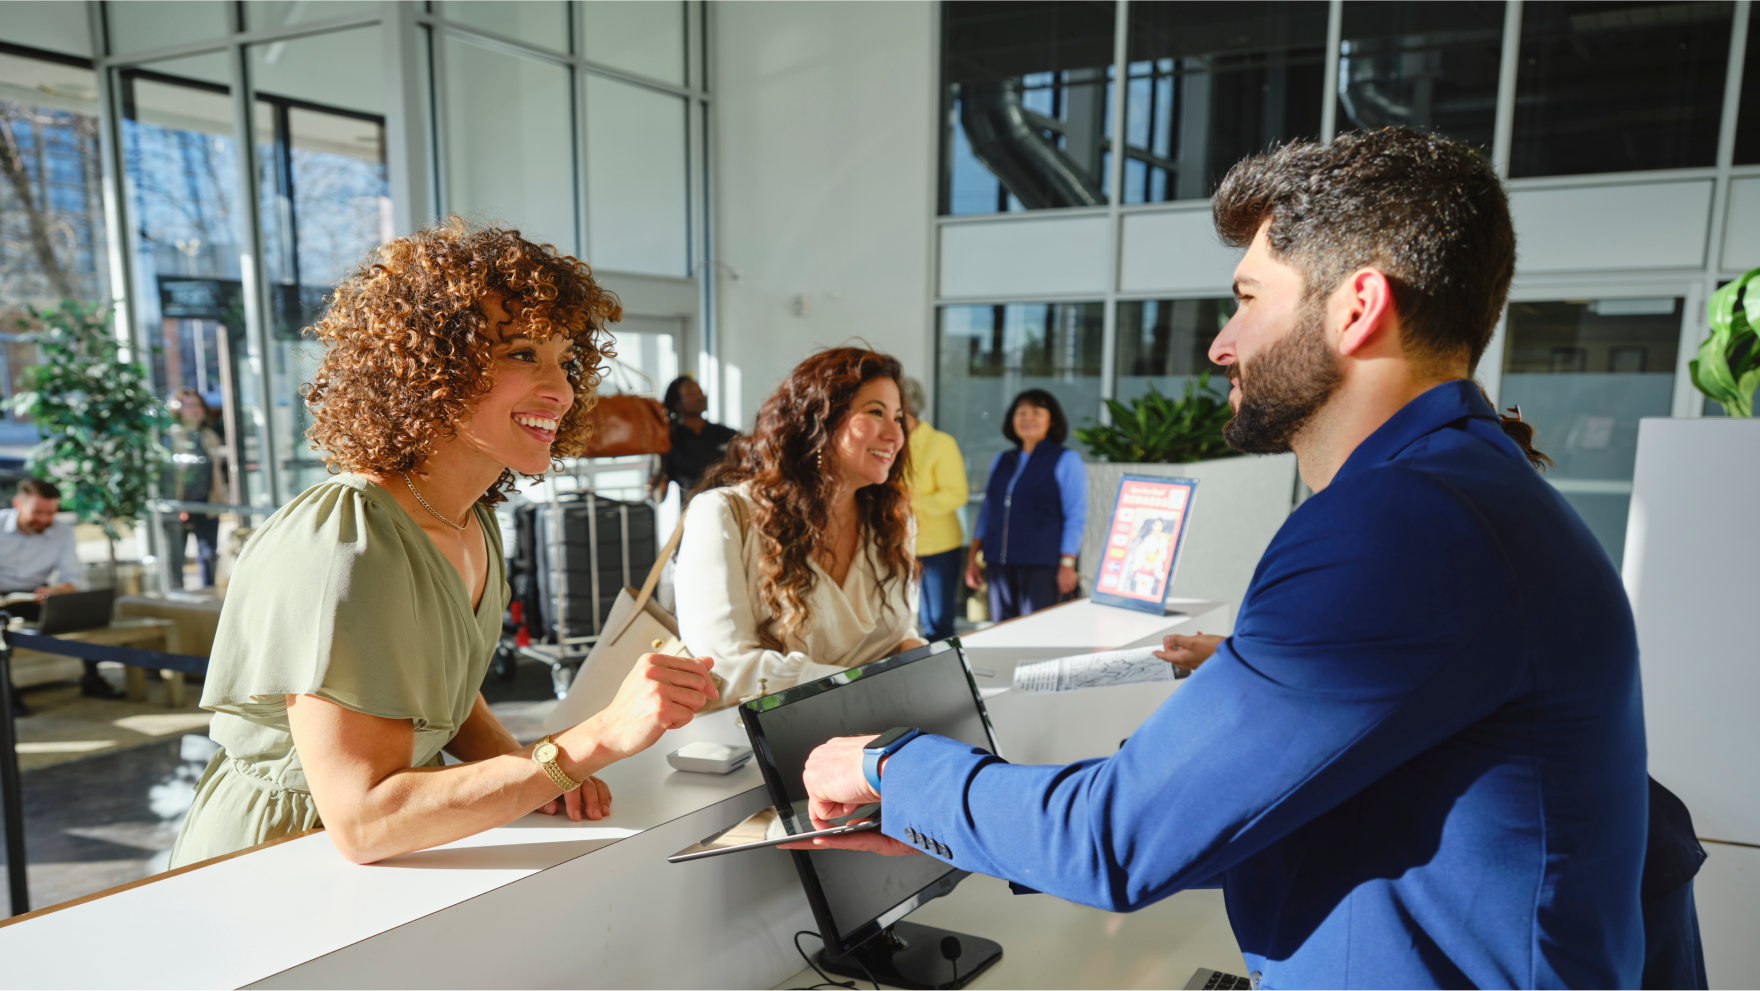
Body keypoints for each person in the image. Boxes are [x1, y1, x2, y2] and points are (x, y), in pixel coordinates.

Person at [793, 129, 1648, 990]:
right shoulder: (1468, 492)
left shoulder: (1397, 527)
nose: (1221, 342)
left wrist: (887, 765)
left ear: (1357, 307)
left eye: (1247, 297)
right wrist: (942, 816)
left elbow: (1116, 841)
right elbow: (1253, 808)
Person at [169, 221, 718, 868]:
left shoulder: (469, 518)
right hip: (282, 863)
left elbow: (442, 692)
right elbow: (365, 822)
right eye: (521, 354)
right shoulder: (350, 543)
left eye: (565, 359)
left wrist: (526, 772)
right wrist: (588, 742)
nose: (561, 389)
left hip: (405, 855)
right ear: (429, 364)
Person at [675, 348, 925, 703]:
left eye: (899, 418)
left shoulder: (892, 523)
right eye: (875, 412)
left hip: (877, 727)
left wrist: (916, 656)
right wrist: (864, 687)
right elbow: (725, 666)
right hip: (765, 743)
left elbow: (895, 631)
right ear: (818, 421)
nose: (895, 435)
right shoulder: (723, 514)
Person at [964, 389, 1087, 620]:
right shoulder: (1001, 460)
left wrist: (1068, 564)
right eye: (1021, 412)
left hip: (1042, 564)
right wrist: (972, 558)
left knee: (1037, 636)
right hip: (999, 564)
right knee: (1003, 634)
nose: (1027, 418)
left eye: (1036, 412)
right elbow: (987, 510)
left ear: (1052, 420)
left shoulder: (1066, 459)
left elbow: (1075, 515)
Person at [0, 478, 121, 703]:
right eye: (37, 512)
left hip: (36, 597)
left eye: (50, 513)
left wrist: (57, 590)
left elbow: (72, 578)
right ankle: (7, 695)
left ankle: (92, 679)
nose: (44, 519)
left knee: (83, 615)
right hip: (2, 599)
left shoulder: (62, 533)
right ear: (18, 504)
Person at [899, 377, 967, 641]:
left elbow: (956, 494)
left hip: (938, 545)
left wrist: (906, 503)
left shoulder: (940, 443)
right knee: (911, 621)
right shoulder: (890, 443)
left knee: (938, 621)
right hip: (900, 544)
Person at [161, 387, 228, 588]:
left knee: (208, 556)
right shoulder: (169, 439)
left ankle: (209, 600)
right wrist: (179, 506)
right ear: (176, 409)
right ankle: (177, 600)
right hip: (179, 507)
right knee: (175, 557)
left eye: (198, 404)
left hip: (207, 506)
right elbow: (168, 476)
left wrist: (219, 500)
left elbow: (215, 474)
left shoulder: (209, 436)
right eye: (188, 404)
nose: (195, 409)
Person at [651, 375, 736, 505]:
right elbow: (657, 496)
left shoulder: (726, 434)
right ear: (677, 403)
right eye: (691, 393)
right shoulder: (671, 440)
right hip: (693, 511)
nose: (700, 397)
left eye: (700, 392)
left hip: (729, 506)